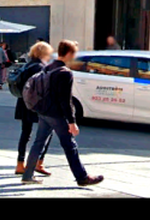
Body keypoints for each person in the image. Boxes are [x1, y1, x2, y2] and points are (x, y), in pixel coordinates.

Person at [22, 40, 104, 187]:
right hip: (56, 114)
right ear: (69, 53)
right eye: (74, 53)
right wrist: (72, 122)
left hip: (43, 111)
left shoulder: (49, 67)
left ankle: (27, 175)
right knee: (69, 145)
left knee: (38, 142)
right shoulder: (64, 73)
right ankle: (82, 177)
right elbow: (65, 101)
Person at [14, 42, 53, 177]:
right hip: (36, 104)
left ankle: (20, 164)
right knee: (47, 131)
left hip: (23, 102)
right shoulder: (40, 67)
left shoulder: (27, 65)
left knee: (25, 133)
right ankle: (38, 162)